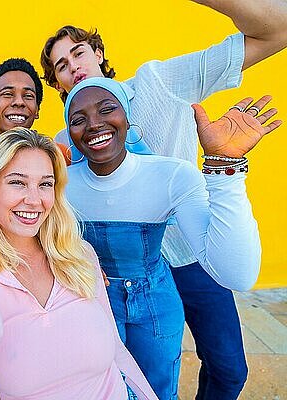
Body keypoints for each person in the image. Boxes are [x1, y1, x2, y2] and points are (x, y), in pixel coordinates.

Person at [40, 1, 287, 397]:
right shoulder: (69, 145)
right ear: (58, 84)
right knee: (135, 380)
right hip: (119, 278)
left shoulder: (160, 80)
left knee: (229, 368)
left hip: (193, 254)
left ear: (99, 54)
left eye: (78, 53)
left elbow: (277, 30)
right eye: (61, 66)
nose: (73, 66)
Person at [64, 78, 278, 399]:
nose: (94, 124)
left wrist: (226, 168)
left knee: (158, 391)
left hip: (156, 307)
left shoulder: (171, 176)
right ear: (70, 133)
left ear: (126, 115)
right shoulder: (59, 185)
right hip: (92, 304)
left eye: (107, 109)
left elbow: (238, 273)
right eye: (78, 119)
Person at [0, 127, 158, 400]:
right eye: (18, 182)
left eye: (45, 184)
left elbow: (117, 350)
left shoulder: (79, 254)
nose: (34, 200)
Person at [0, 58, 43, 152]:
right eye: (8, 94)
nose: (19, 102)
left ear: (37, 110)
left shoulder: (56, 157)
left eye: (28, 95)